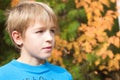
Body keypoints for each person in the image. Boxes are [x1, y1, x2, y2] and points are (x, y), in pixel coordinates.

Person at [0, 1, 72, 80]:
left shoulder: (63, 75)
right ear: (18, 38)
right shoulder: (4, 75)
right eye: (40, 31)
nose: (50, 38)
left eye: (52, 31)